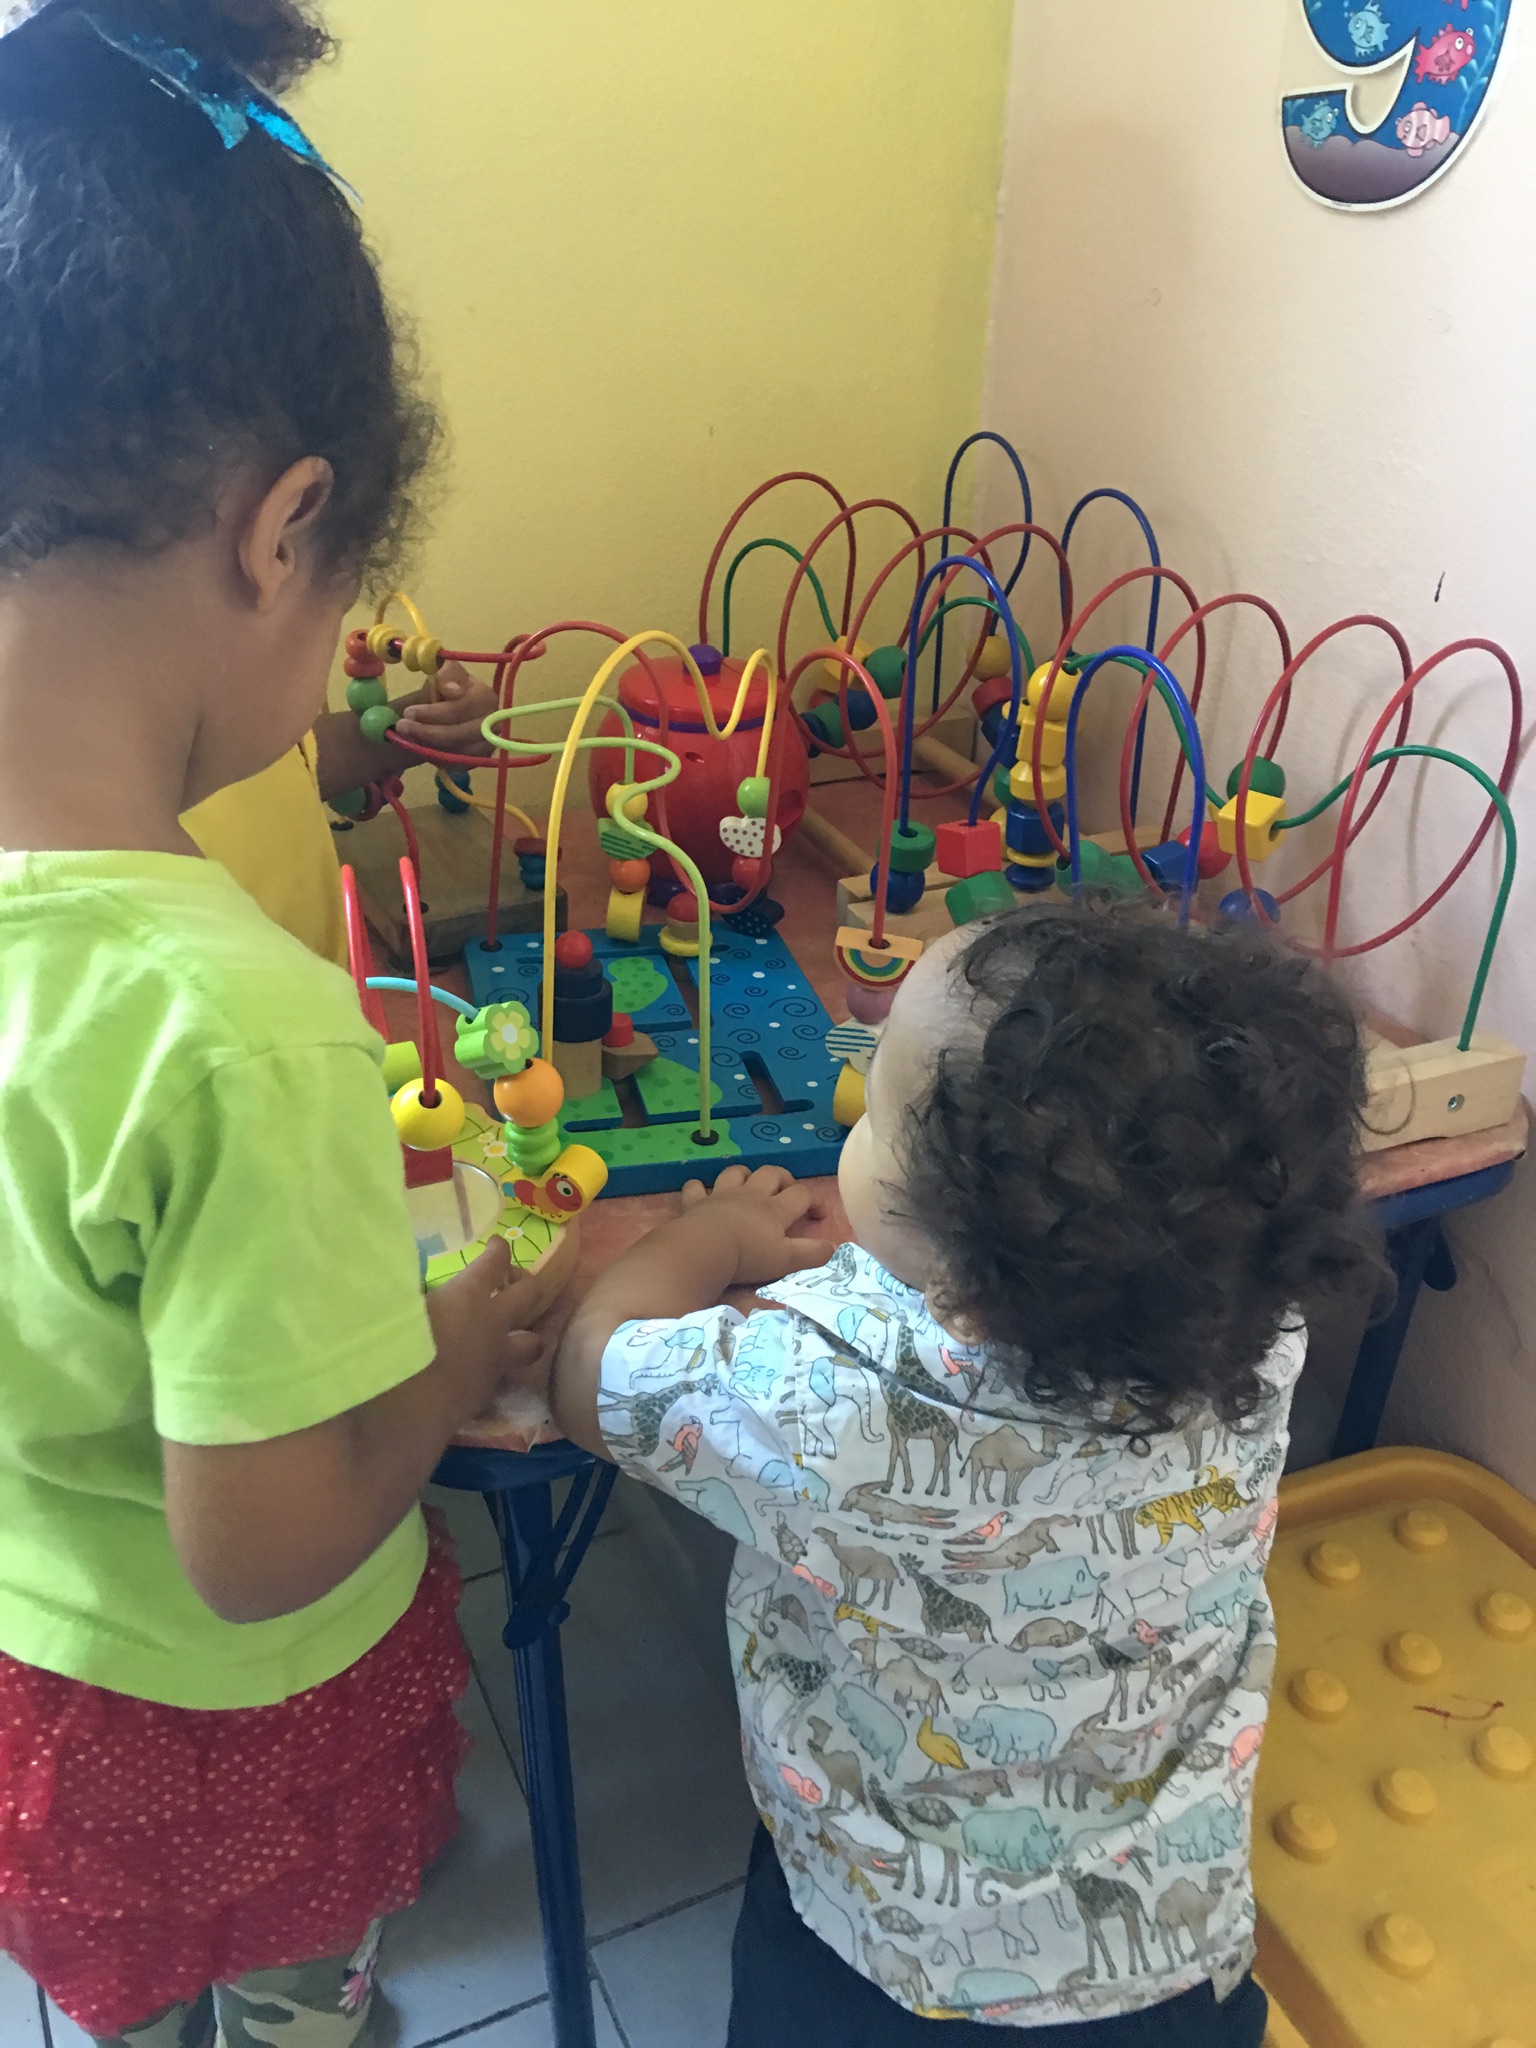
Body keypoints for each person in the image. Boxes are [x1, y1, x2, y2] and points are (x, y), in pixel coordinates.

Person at [0, 4, 541, 2044]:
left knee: (123, 1973)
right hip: (225, 1712)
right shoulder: (238, 1027)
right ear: (280, 526)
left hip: (33, 1668)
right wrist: (462, 1340)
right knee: (284, 1965)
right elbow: (266, 1547)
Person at [547, 901, 1380, 2044]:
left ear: (968, 1289)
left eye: (879, 1107)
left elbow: (588, 1373)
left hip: (876, 1959)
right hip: (1167, 1960)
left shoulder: (834, 1405)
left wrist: (710, 1239)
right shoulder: (1258, 1337)